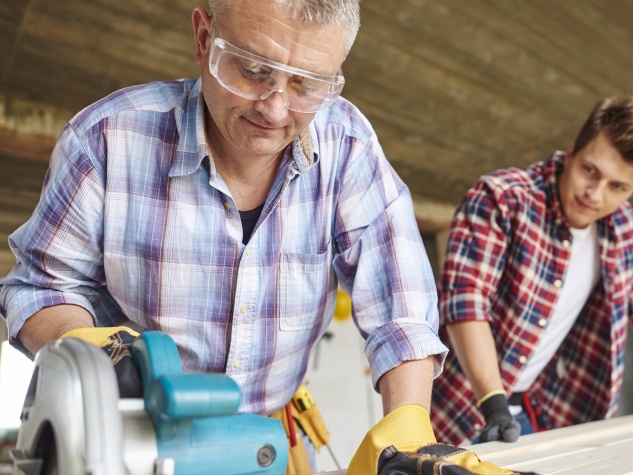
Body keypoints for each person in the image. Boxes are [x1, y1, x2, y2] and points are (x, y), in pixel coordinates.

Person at [0, 1, 535, 473]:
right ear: (203, 39)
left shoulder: (348, 147)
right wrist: (96, 352)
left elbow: (401, 304)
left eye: (306, 84)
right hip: (126, 440)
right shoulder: (106, 139)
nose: (274, 109)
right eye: (253, 70)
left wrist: (409, 424)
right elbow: (42, 286)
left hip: (271, 442)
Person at [430, 96, 633, 446]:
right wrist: (494, 406)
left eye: (617, 187)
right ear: (571, 152)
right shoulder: (502, 197)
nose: (595, 194)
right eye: (590, 171)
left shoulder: (621, 224)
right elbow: (466, 301)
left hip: (532, 409)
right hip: (457, 407)